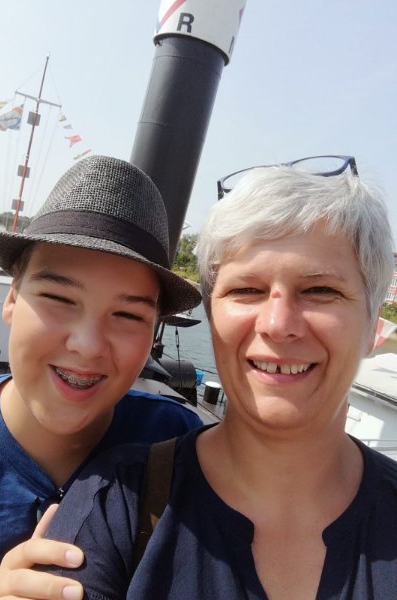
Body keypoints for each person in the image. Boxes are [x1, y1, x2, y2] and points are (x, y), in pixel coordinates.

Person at [20, 156, 397, 599]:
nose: (278, 324)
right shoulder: (118, 502)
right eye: (246, 290)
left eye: (320, 291)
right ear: (213, 318)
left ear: (374, 328)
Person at [0, 155, 203, 599]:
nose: (87, 345)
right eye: (59, 299)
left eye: (128, 314)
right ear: (11, 300)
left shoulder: (176, 442)